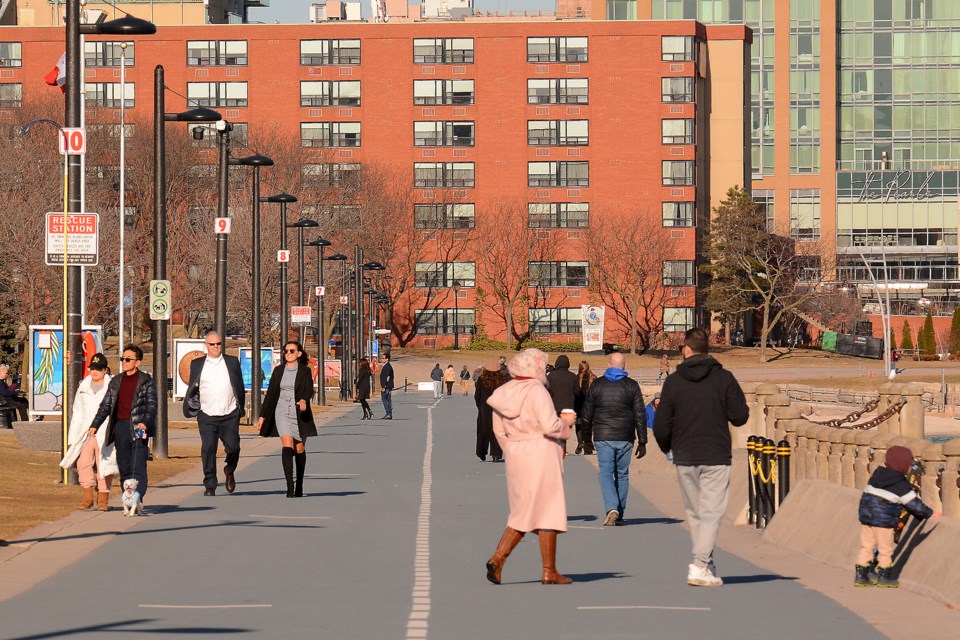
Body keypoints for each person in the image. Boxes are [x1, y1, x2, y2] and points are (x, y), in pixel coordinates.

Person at [653, 327, 749, 587]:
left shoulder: (673, 381)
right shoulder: (724, 378)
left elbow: (662, 423)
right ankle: (699, 565)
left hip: (685, 453)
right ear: (708, 349)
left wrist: (666, 447)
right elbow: (740, 416)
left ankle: (706, 562)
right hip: (715, 452)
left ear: (686, 349)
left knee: (696, 513)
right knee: (712, 512)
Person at [484, 348, 576, 585]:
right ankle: (545, 569)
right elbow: (549, 425)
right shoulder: (537, 391)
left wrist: (512, 448)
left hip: (516, 452)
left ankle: (504, 559)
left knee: (524, 509)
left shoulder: (503, 392)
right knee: (547, 510)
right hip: (541, 451)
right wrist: (565, 424)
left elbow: (498, 431)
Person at [855, 445, 940, 587]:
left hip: (866, 518)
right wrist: (930, 513)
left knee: (866, 547)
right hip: (884, 522)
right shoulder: (900, 484)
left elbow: (866, 496)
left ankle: (861, 576)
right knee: (885, 550)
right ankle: (884, 577)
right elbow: (913, 504)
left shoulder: (877, 476)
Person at [581, 352, 647, 526]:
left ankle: (612, 508)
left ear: (609, 365)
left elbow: (586, 414)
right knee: (622, 475)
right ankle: (620, 512)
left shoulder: (597, 385)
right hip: (625, 436)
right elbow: (640, 414)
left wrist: (586, 439)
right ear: (624, 366)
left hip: (603, 436)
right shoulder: (631, 385)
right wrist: (642, 441)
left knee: (605, 473)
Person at [88, 345, 157, 501]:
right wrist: (95, 425)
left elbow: (151, 405)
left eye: (128, 359)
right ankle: (128, 495)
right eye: (122, 359)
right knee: (124, 465)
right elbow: (105, 405)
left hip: (139, 428)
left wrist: (145, 422)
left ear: (137, 362)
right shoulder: (116, 381)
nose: (124, 362)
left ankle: (137, 496)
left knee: (138, 464)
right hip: (121, 427)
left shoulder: (146, 382)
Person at [183, 331, 245, 496]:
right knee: (209, 448)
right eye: (212, 344)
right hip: (207, 414)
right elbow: (193, 388)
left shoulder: (232, 362)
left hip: (230, 413)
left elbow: (239, 386)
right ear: (206, 346)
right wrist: (195, 408)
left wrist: (240, 409)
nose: (216, 347)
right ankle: (210, 484)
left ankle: (229, 470)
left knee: (233, 447)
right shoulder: (197, 364)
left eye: (218, 344)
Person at [257, 341, 318, 497]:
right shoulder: (278, 371)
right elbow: (271, 394)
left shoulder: (304, 371)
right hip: (281, 410)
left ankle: (300, 484)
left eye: (292, 351)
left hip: (299, 412)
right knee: (287, 443)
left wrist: (304, 400)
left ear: (299, 353)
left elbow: (308, 389)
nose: (288, 353)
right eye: (285, 351)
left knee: (299, 449)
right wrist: (263, 416)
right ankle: (289, 485)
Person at [62, 353, 116, 511]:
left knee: (104, 465)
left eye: (98, 369)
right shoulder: (83, 387)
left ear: (105, 370)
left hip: (105, 431)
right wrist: (73, 436)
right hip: (86, 432)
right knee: (83, 463)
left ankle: (103, 499)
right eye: (92, 368)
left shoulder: (112, 387)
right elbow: (77, 412)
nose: (95, 372)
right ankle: (87, 498)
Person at [474, 361, 506, 462]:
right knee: (497, 430)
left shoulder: (481, 380)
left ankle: (481, 451)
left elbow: (477, 395)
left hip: (485, 407)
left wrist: (480, 405)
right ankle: (496, 453)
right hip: (498, 407)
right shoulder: (502, 380)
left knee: (483, 430)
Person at [546, 355, 578, 453]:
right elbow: (577, 392)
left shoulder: (551, 376)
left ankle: (555, 446)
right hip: (568, 406)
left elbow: (547, 389)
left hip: (555, 406)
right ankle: (563, 447)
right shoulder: (573, 376)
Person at [574, 361, 596, 455]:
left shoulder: (576, 378)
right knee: (589, 426)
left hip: (578, 406)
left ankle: (580, 442)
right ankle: (588, 444)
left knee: (579, 425)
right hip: (590, 406)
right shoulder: (593, 378)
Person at [379, 353, 394, 419]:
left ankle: (388, 413)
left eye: (383, 358)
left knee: (385, 399)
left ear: (387, 359)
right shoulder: (386, 366)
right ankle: (389, 413)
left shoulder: (387, 367)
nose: (382, 359)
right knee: (388, 399)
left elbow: (387, 377)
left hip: (387, 386)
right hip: (388, 386)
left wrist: (384, 386)